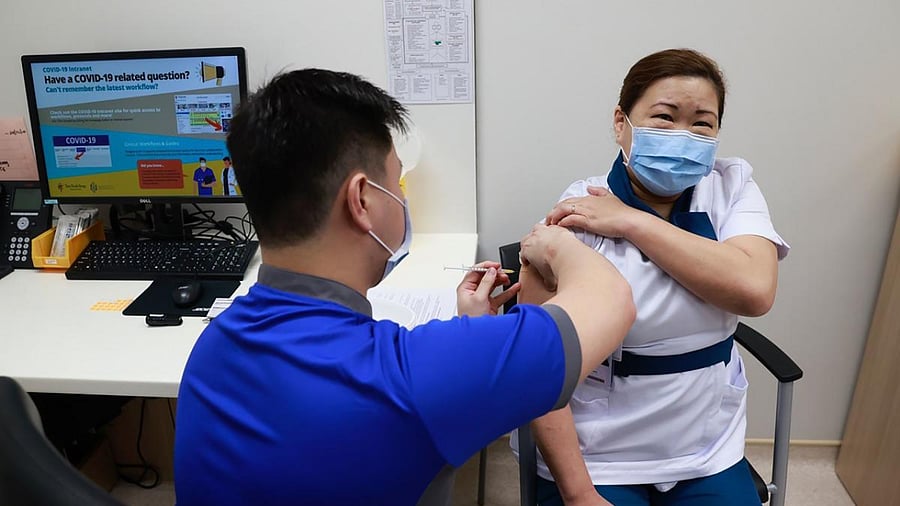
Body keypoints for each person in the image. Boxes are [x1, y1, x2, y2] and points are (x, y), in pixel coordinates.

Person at [173, 68, 636, 506]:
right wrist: (554, 243)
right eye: (397, 181)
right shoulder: (412, 377)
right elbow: (611, 299)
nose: (402, 197)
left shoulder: (211, 348)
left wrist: (473, 332)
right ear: (362, 201)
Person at [528, 49, 790, 506]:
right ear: (620, 122)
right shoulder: (579, 206)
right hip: (600, 449)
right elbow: (537, 365)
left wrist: (631, 222)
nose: (683, 136)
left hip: (706, 444)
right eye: (664, 117)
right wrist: (579, 494)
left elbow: (754, 290)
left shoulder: (732, 186)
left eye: (702, 123)